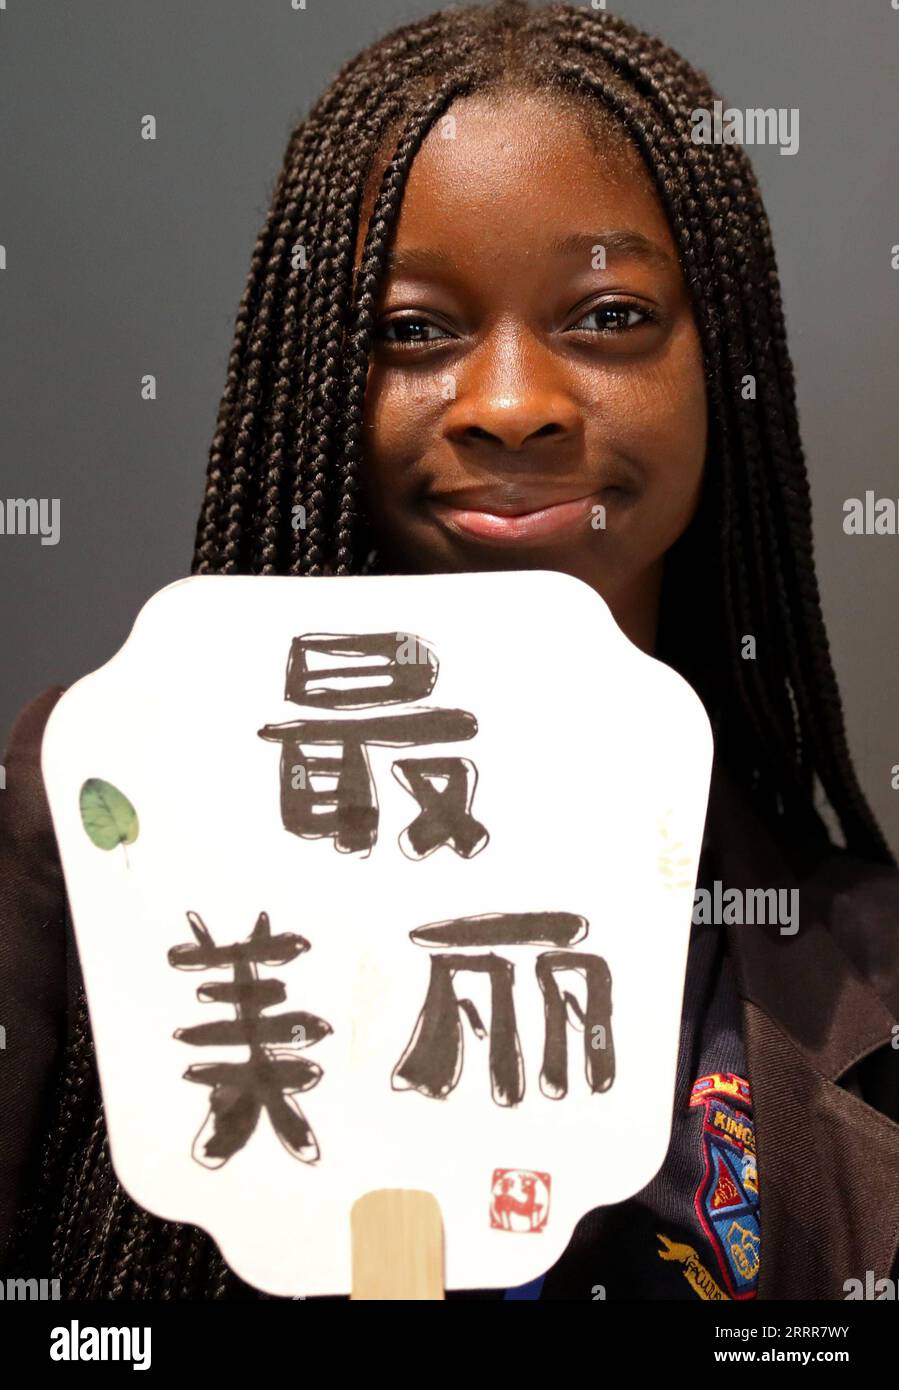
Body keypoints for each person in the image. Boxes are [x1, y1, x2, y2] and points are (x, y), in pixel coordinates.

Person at [2, 0, 897, 1300]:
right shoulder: (85, 815)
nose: (513, 404)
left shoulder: (864, 955)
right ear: (307, 377)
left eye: (608, 315)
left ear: (729, 362)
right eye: (415, 330)